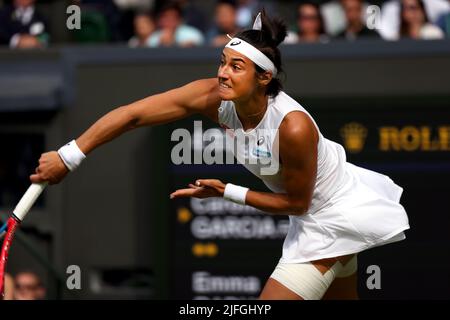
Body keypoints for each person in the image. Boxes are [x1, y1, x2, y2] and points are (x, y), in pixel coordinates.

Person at [30, 10, 410, 300]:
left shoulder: (292, 128)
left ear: (264, 78)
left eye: (236, 67)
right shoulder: (213, 96)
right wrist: (70, 155)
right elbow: (133, 114)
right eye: (223, 62)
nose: (223, 74)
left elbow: (297, 203)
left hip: (332, 217)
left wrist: (226, 190)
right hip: (314, 212)